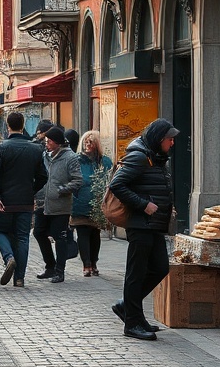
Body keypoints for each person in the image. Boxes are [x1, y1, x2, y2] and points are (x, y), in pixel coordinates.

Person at [109, 118, 177, 341]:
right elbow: (117, 185)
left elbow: (156, 186)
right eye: (170, 139)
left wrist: (168, 207)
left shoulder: (155, 158)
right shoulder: (140, 157)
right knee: (136, 273)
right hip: (141, 225)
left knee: (159, 268)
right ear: (159, 139)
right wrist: (143, 204)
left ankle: (127, 307)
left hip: (154, 225)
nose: (172, 143)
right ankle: (133, 323)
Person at [0, 111, 48, 287]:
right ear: (23, 126)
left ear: (8, 126)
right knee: (22, 237)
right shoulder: (35, 149)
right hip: (25, 201)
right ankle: (19, 278)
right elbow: (43, 176)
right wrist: (31, 190)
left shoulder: (0, 148)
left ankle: (9, 257)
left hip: (5, 201)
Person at [34, 127, 82, 284]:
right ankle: (50, 266)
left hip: (61, 205)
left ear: (56, 142)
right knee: (39, 233)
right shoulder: (44, 156)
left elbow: (77, 180)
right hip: (43, 203)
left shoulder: (70, 158)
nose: (46, 144)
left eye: (48, 141)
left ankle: (60, 271)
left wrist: (63, 190)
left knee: (59, 236)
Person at [71, 130, 112, 277]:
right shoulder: (76, 160)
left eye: (91, 142)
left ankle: (94, 262)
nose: (88, 145)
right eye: (86, 142)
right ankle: (86, 264)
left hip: (98, 203)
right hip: (80, 201)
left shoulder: (104, 161)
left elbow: (110, 180)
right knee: (82, 233)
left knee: (95, 234)